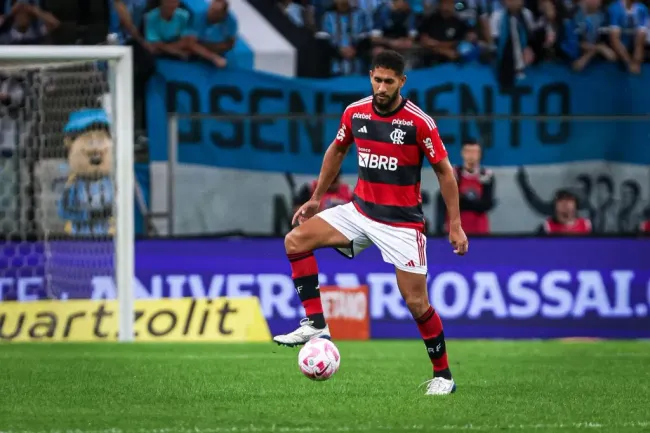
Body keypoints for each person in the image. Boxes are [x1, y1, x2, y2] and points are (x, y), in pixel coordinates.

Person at [272, 50, 468, 396]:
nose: (381, 86)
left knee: (417, 304)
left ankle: (444, 376)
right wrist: (317, 197)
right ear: (370, 76)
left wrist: (455, 224)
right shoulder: (355, 112)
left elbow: (445, 172)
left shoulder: (418, 122)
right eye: (376, 79)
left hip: (401, 224)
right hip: (359, 212)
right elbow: (336, 150)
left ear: (401, 82)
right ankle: (316, 323)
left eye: (388, 81)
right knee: (295, 241)